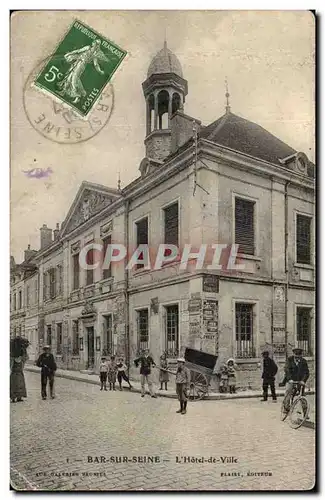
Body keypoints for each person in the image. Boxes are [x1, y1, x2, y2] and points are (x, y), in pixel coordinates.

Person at [279, 347, 310, 413]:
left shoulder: (303, 361)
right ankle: (286, 408)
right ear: (294, 355)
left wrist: (303, 381)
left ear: (301, 355)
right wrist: (290, 379)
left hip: (300, 381)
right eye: (296, 357)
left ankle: (305, 413)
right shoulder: (289, 360)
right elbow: (287, 370)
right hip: (291, 380)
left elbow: (306, 372)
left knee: (302, 395)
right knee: (288, 392)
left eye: (299, 357)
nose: (297, 358)